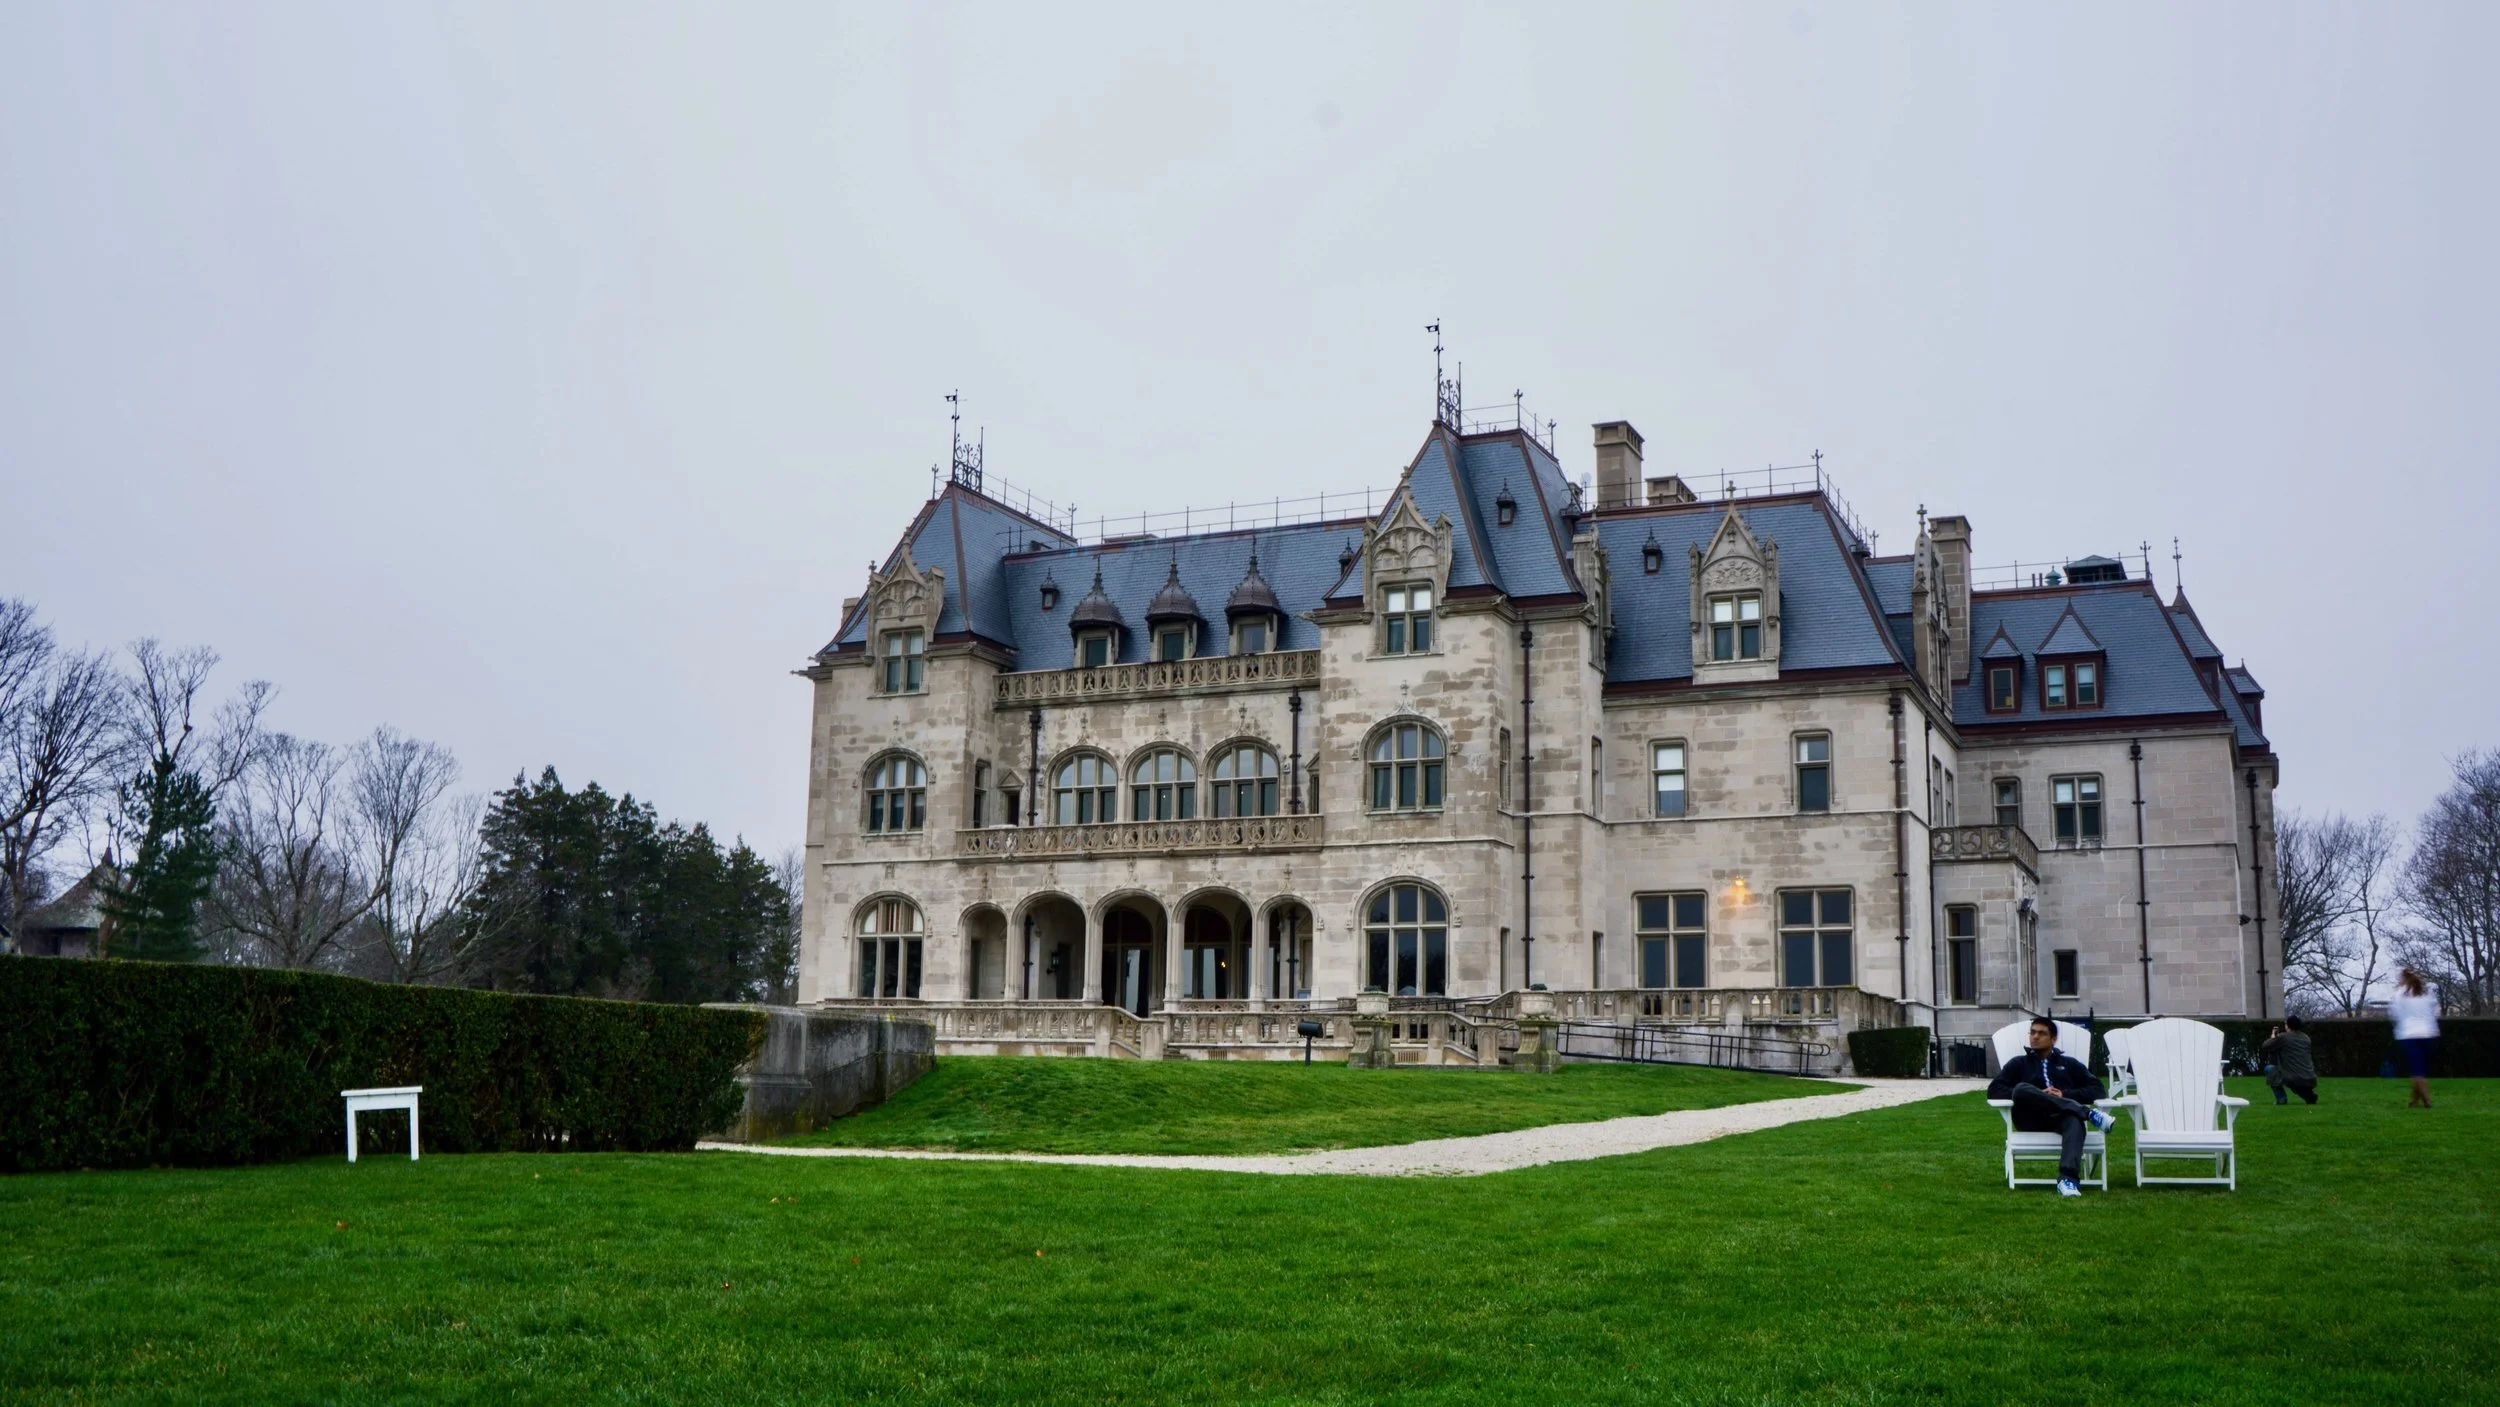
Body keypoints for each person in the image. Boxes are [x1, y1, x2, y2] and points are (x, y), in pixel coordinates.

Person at [1987, 1016, 2115, 1196]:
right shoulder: (2019, 1064)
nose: (2035, 1037)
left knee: (2074, 1121)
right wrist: (2037, 1094)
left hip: (2060, 1118)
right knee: (2021, 1089)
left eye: (2041, 1033)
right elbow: (1994, 1090)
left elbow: (2098, 1089)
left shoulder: (2069, 1064)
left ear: (2053, 1039)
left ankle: (2068, 1180)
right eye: (2032, 1033)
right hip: (2029, 1118)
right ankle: (2088, 1113)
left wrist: (2064, 1094)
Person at [2390, 968, 2441, 1109]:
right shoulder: (2426, 993)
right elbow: (2436, 1011)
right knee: (2420, 1069)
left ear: (2403, 979)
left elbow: (2395, 1014)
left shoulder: (2400, 994)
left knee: (2416, 1071)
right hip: (2429, 1033)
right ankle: (2414, 1101)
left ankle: (2427, 1100)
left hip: (2409, 1034)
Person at [2262, 1015, 2319, 1105]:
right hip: (2309, 1077)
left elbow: (2266, 1046)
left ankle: (2281, 1098)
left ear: (2288, 1026)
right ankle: (2309, 1095)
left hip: (2292, 1076)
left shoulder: (2283, 1037)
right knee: (2298, 1085)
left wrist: (2273, 1036)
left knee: (2269, 1069)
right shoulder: (2306, 1038)